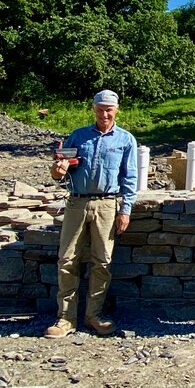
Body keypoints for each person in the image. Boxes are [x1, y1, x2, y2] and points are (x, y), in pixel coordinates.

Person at [46, 89, 137, 338]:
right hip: (77, 203)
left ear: (117, 110)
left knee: (102, 262)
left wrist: (125, 210)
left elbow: (130, 178)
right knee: (67, 260)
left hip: (108, 204)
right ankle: (65, 318)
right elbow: (58, 173)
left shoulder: (126, 140)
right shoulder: (78, 136)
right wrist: (58, 170)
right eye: (100, 109)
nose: (104, 114)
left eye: (109, 109)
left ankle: (93, 315)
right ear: (93, 109)